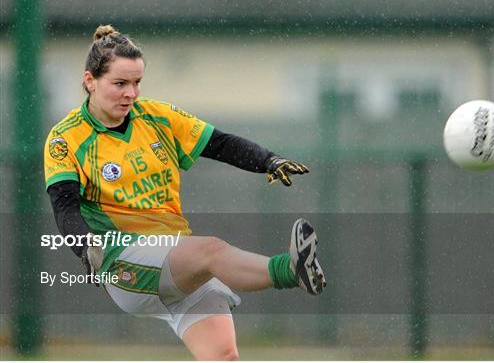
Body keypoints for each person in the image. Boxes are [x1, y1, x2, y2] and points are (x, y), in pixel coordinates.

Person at [44, 25, 326, 360]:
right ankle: (289, 270)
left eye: (136, 83)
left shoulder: (156, 117)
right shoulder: (66, 138)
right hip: (121, 260)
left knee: (224, 356)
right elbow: (64, 207)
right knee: (211, 251)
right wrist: (84, 247)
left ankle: (290, 271)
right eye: (119, 83)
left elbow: (219, 143)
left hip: (174, 261)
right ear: (90, 80)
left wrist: (268, 160)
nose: (130, 93)